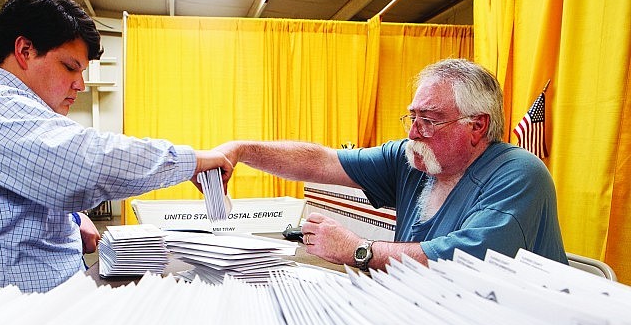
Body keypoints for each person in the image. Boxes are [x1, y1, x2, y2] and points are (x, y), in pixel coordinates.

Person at [0, 0, 232, 325]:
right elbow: (86, 166)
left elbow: (15, 190)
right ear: (25, 51)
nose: (80, 84)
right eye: (70, 67)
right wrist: (192, 161)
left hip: (22, 309)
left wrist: (73, 218)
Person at [215, 58, 567, 272]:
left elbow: (461, 262)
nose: (414, 132)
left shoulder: (520, 174)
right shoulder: (414, 158)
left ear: (477, 126)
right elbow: (322, 161)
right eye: (412, 117)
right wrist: (241, 151)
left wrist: (358, 250)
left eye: (429, 119)